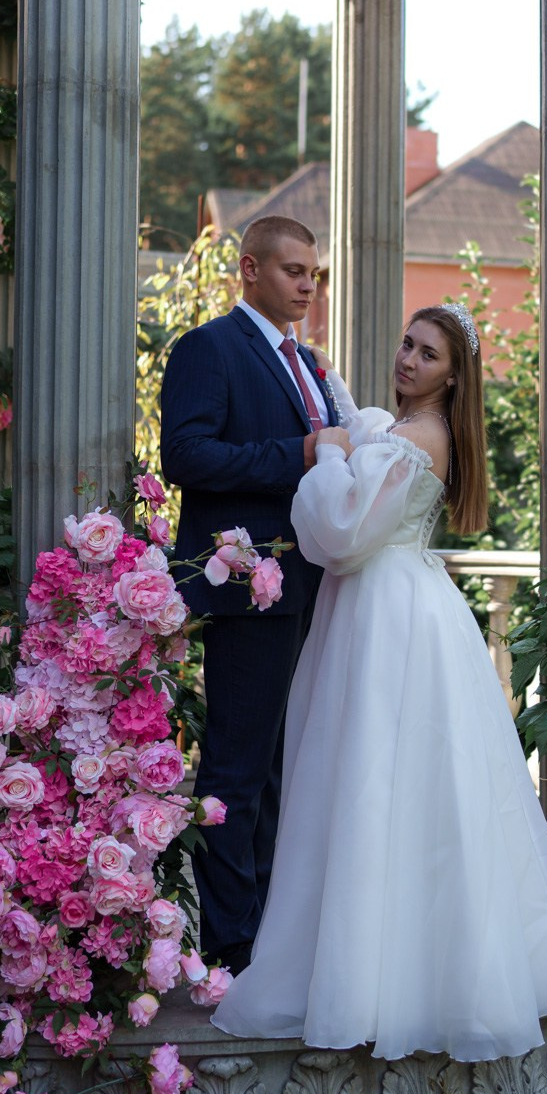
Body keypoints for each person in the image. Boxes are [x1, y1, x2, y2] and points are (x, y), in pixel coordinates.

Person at [213, 304, 547, 1061]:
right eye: (406, 343)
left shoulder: (419, 439)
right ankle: (374, 965)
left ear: (453, 377)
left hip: (386, 614)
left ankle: (387, 982)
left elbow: (344, 532)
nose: (408, 359)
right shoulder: (409, 431)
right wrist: (335, 397)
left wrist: (327, 459)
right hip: (392, 605)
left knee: (374, 779)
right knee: (376, 782)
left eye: (428, 355)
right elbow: (365, 428)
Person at [160, 215, 340, 977]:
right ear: (249, 269)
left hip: (308, 588)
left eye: (314, 274)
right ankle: (230, 947)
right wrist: (300, 452)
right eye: (294, 270)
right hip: (246, 590)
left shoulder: (308, 364)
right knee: (236, 770)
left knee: (278, 770)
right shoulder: (209, 348)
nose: (307, 285)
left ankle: (265, 937)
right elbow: (186, 455)